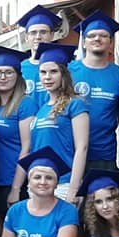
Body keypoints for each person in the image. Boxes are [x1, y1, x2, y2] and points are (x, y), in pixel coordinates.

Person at [69, 11, 119, 171]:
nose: (97, 39)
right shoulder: (68, 72)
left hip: (104, 155)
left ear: (111, 43)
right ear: (83, 43)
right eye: (91, 36)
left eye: (103, 35)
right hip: (70, 153)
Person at [0, 46, 37, 231]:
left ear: (18, 76)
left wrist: (16, 188)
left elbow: (27, 147)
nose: (3, 77)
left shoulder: (26, 104)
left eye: (8, 72)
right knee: (0, 236)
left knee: (17, 235)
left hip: (12, 180)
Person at [29, 43, 90, 200]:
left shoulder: (75, 104)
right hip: (38, 183)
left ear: (64, 74)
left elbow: (82, 148)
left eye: (53, 71)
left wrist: (74, 188)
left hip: (63, 184)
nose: (47, 77)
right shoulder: (42, 109)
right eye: (43, 72)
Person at [16, 5, 62, 92]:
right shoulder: (19, 69)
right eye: (33, 33)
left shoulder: (63, 66)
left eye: (43, 32)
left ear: (52, 35)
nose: (38, 37)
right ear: (26, 37)